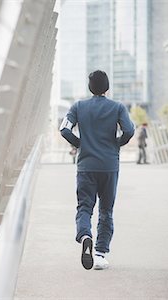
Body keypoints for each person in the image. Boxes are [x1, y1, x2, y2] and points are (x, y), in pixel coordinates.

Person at [60, 70, 134, 270]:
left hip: (86, 166)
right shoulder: (117, 107)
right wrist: (117, 144)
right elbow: (129, 130)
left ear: (90, 87)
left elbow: (64, 129)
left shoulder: (78, 107)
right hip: (109, 166)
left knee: (84, 208)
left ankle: (85, 235)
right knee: (106, 210)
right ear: (107, 87)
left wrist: (80, 144)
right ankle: (100, 254)